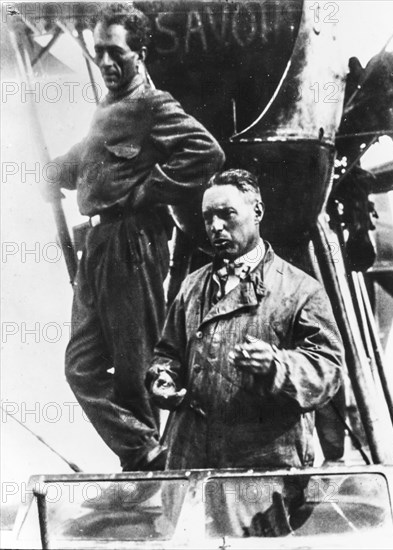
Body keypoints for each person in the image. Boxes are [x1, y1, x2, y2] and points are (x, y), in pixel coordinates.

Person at [43, 4, 225, 471]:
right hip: (98, 247)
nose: (105, 63)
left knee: (134, 367)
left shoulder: (152, 104)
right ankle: (147, 451)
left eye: (116, 53)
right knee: (80, 367)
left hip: (132, 243)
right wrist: (47, 173)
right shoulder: (107, 109)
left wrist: (147, 190)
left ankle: (149, 471)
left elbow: (206, 151)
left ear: (140, 53)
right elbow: (84, 158)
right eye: (98, 52)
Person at [145, 169, 344, 469]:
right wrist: (163, 377)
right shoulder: (191, 286)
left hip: (263, 471)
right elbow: (167, 353)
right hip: (189, 463)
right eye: (208, 217)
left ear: (257, 212)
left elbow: (328, 371)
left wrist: (278, 365)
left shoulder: (301, 290)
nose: (216, 227)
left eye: (227, 214)